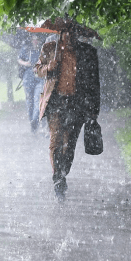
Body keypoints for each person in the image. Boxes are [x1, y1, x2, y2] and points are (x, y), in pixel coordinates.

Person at [34, 24, 101, 202]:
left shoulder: (88, 53)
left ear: (77, 34)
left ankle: (63, 173)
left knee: (69, 145)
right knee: (56, 142)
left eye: (73, 34)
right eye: (66, 34)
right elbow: (37, 70)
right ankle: (58, 179)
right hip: (56, 103)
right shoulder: (49, 48)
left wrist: (94, 112)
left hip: (77, 104)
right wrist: (49, 67)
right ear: (60, 34)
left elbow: (95, 83)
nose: (69, 37)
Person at [18, 34, 45, 133]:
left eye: (37, 39)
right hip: (28, 78)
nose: (35, 41)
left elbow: (47, 61)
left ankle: (34, 120)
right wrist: (26, 63)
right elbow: (19, 59)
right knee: (29, 101)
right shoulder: (26, 49)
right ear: (31, 40)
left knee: (38, 100)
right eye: (34, 39)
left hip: (39, 78)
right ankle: (32, 123)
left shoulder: (43, 50)